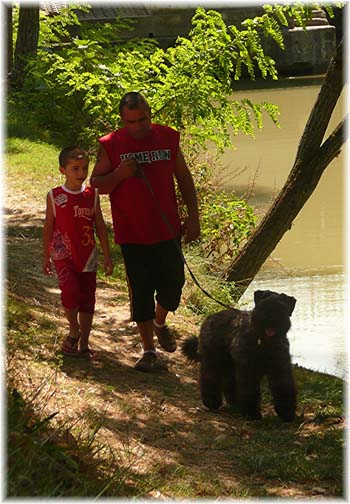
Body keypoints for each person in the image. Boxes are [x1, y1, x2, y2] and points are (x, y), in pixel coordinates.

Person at [90, 91, 200, 372]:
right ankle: (149, 350)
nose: (139, 126)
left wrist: (194, 217)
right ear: (123, 120)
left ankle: (160, 322)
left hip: (167, 229)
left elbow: (184, 178)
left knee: (173, 287)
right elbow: (97, 184)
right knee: (140, 292)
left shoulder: (167, 137)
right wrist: (119, 175)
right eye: (132, 122)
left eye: (144, 119)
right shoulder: (111, 145)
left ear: (150, 113)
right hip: (132, 233)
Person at [43, 146, 113, 357]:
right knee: (70, 293)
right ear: (62, 170)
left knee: (87, 298)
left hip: (87, 256)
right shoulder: (54, 196)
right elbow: (48, 226)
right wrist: (46, 255)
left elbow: (99, 225)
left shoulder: (92, 195)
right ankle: (74, 329)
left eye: (84, 168)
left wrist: (107, 255)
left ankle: (83, 343)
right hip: (62, 255)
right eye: (75, 169)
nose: (81, 174)